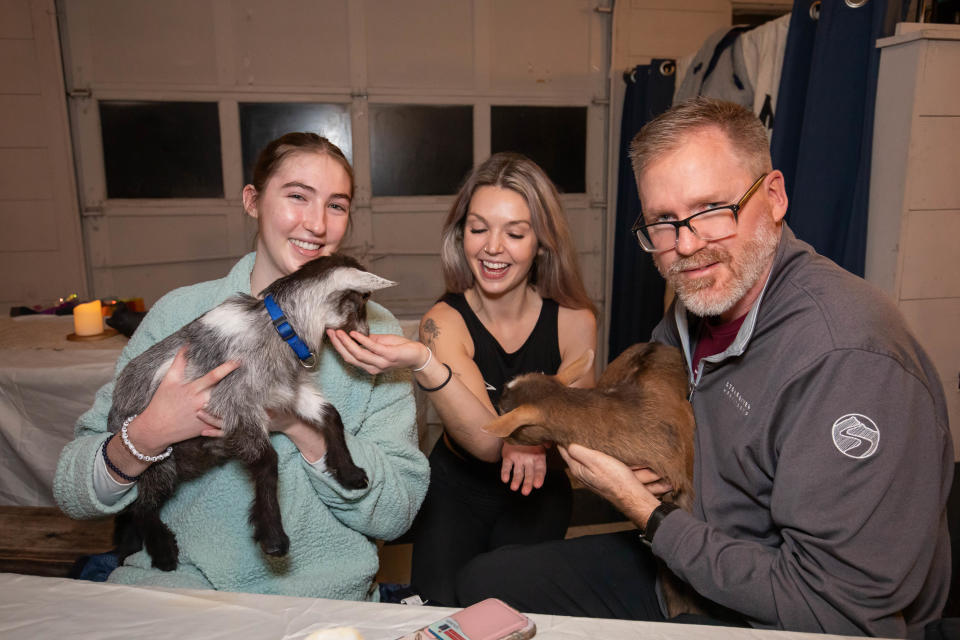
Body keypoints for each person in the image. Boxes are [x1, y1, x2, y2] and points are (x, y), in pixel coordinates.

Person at [454, 98, 953, 639]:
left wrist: (648, 512)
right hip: (691, 568)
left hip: (781, 610)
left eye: (713, 209)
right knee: (489, 583)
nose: (686, 246)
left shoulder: (848, 359)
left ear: (775, 196)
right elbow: (659, 422)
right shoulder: (699, 306)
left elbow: (834, 609)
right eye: (663, 222)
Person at [53, 133, 429, 599]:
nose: (316, 224)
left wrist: (297, 425)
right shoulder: (179, 314)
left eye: (337, 205)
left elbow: (396, 512)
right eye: (297, 196)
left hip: (322, 600)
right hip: (180, 595)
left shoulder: (374, 334)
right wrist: (150, 433)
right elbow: (72, 490)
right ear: (253, 201)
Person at [328, 152, 598, 606]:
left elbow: (578, 423)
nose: (493, 247)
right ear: (460, 235)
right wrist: (532, 430)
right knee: (439, 614)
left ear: (542, 243)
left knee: (517, 613)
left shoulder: (576, 321)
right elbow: (485, 440)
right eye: (478, 229)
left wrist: (536, 438)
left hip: (538, 492)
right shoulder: (443, 321)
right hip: (456, 490)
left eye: (515, 233)